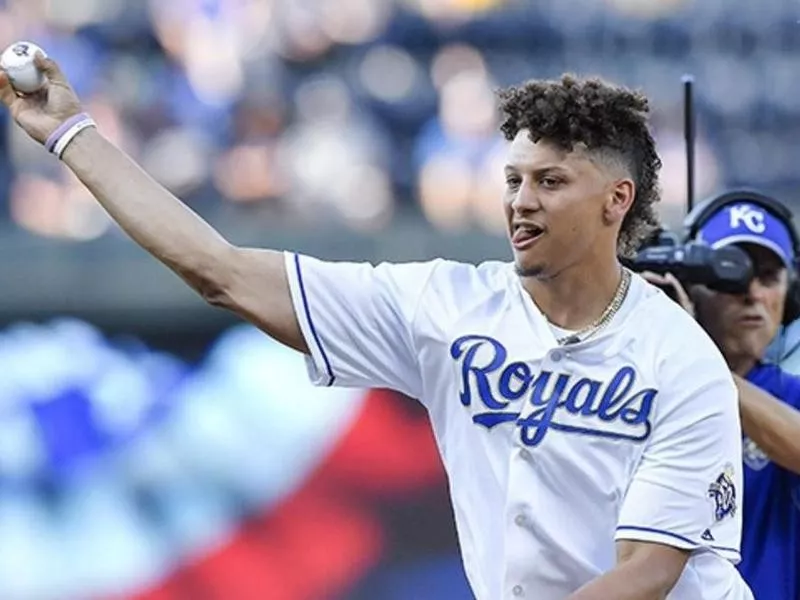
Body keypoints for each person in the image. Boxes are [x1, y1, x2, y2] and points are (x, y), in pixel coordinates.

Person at [0, 53, 754, 599]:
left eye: (551, 182)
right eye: (514, 179)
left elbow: (649, 571)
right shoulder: (450, 305)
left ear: (616, 200)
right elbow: (220, 270)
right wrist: (73, 134)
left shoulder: (677, 356)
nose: (521, 202)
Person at [644, 192, 800, 600]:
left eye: (768, 276)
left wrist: (693, 355)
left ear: (791, 297)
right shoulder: (640, 385)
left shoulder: (790, 397)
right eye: (729, 274)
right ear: (691, 289)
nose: (751, 293)